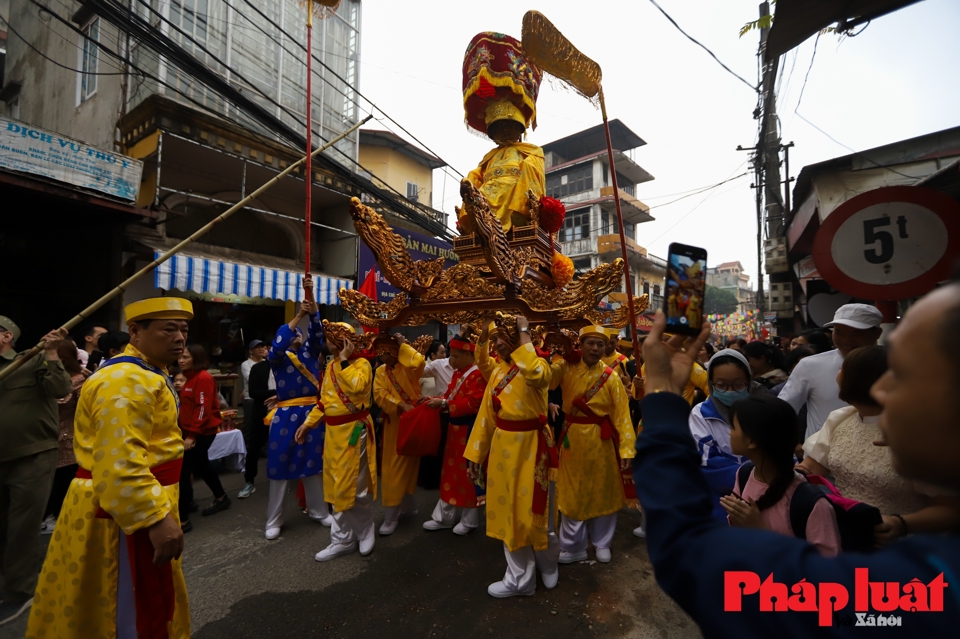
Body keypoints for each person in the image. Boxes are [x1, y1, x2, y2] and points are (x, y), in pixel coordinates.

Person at [631, 284, 960, 637]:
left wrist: (662, 395)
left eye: (905, 370)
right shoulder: (837, 424)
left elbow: (687, 549)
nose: (880, 390)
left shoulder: (916, 591)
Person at [25, 298, 193, 638]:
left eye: (184, 330)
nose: (180, 338)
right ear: (135, 331)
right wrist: (154, 517)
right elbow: (120, 460)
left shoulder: (144, 372)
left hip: (127, 505)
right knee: (126, 612)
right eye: (169, 329)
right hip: (120, 516)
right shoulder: (126, 379)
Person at [798, 346, 960, 546]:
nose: (837, 374)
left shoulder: (916, 433)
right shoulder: (840, 419)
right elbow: (811, 469)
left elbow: (951, 510)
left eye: (843, 368)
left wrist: (900, 524)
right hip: (846, 536)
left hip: (904, 548)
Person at [465, 314, 560, 598]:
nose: (497, 344)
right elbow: (486, 415)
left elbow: (536, 374)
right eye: (494, 339)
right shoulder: (496, 371)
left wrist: (523, 329)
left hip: (534, 448)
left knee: (539, 514)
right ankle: (520, 579)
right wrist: (475, 455)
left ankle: (548, 564)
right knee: (511, 516)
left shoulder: (539, 364)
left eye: (501, 337)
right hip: (504, 449)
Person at [0, 316, 71, 626]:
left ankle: (19, 590)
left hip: (32, 454)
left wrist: (53, 353)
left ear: (6, 336)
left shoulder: (31, 358)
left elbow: (60, 387)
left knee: (22, 525)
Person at [549, 326, 636, 564]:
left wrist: (627, 448)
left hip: (601, 441)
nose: (595, 349)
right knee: (571, 494)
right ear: (581, 344)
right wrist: (555, 354)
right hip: (572, 439)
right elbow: (544, 380)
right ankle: (573, 546)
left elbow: (622, 415)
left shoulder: (612, 376)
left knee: (604, 493)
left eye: (600, 344)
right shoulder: (564, 367)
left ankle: (602, 543)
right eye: (590, 343)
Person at [719, 395, 841, 556]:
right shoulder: (745, 474)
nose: (730, 433)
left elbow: (826, 568)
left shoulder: (811, 503)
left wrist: (761, 530)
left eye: (733, 427)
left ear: (752, 441)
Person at [296, 321, 377, 562]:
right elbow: (324, 401)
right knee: (334, 487)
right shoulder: (331, 365)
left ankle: (365, 529)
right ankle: (342, 538)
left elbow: (357, 387)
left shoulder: (360, 364)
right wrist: (308, 423)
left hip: (355, 430)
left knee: (353, 486)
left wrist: (343, 360)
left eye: (333, 338)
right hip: (333, 434)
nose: (328, 341)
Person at [262, 288, 329, 540]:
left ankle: (319, 511)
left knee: (313, 465)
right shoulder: (277, 358)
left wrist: (313, 313)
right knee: (279, 467)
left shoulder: (310, 354)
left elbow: (318, 333)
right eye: (292, 333)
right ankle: (273, 519)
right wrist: (298, 315)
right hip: (285, 415)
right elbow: (278, 343)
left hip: (311, 413)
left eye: (298, 333)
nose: (296, 334)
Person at [779, 304, 883, 439]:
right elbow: (783, 409)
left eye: (856, 333)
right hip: (820, 456)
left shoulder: (894, 365)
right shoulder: (810, 365)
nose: (846, 340)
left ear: (877, 333)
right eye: (839, 332)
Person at [688, 349, 768, 519]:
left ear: (749, 381)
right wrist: (757, 481)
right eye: (722, 385)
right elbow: (706, 463)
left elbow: (781, 451)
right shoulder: (700, 414)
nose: (730, 391)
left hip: (768, 498)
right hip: (721, 502)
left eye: (738, 384)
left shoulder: (764, 410)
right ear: (711, 383)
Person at [422, 334, 487, 535]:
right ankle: (445, 517)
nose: (452, 360)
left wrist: (443, 404)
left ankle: (469, 521)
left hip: (468, 431)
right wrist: (434, 399)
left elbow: (473, 404)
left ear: (469, 354)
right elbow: (450, 396)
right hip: (454, 430)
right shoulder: (460, 372)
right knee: (449, 474)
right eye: (451, 355)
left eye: (456, 356)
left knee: (468, 475)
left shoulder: (478, 375)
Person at [372, 334, 424, 535]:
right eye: (381, 352)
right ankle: (394, 513)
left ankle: (404, 509)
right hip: (394, 424)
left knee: (408, 466)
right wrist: (400, 404)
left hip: (413, 422)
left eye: (388, 351)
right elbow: (379, 395)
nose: (384, 356)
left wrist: (404, 343)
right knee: (392, 469)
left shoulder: (410, 369)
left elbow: (418, 360)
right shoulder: (380, 372)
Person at [177, 344, 229, 533]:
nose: (181, 360)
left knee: (184, 472)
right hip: (191, 431)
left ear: (196, 359)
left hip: (200, 432)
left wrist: (191, 435)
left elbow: (202, 409)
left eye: (185, 357)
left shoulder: (203, 378)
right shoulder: (190, 378)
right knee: (202, 466)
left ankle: (183, 520)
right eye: (180, 357)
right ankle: (222, 498)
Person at [40, 342, 88, 535]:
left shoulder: (80, 381)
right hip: (45, 440)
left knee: (64, 487)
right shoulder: (44, 376)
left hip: (70, 444)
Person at [239, 339, 268, 468]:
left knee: (265, 424)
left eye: (263, 347)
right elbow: (251, 378)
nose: (261, 349)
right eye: (257, 347)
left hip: (265, 397)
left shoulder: (267, 363)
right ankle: (247, 452)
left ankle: (263, 450)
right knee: (250, 426)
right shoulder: (246, 364)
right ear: (251, 351)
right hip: (251, 399)